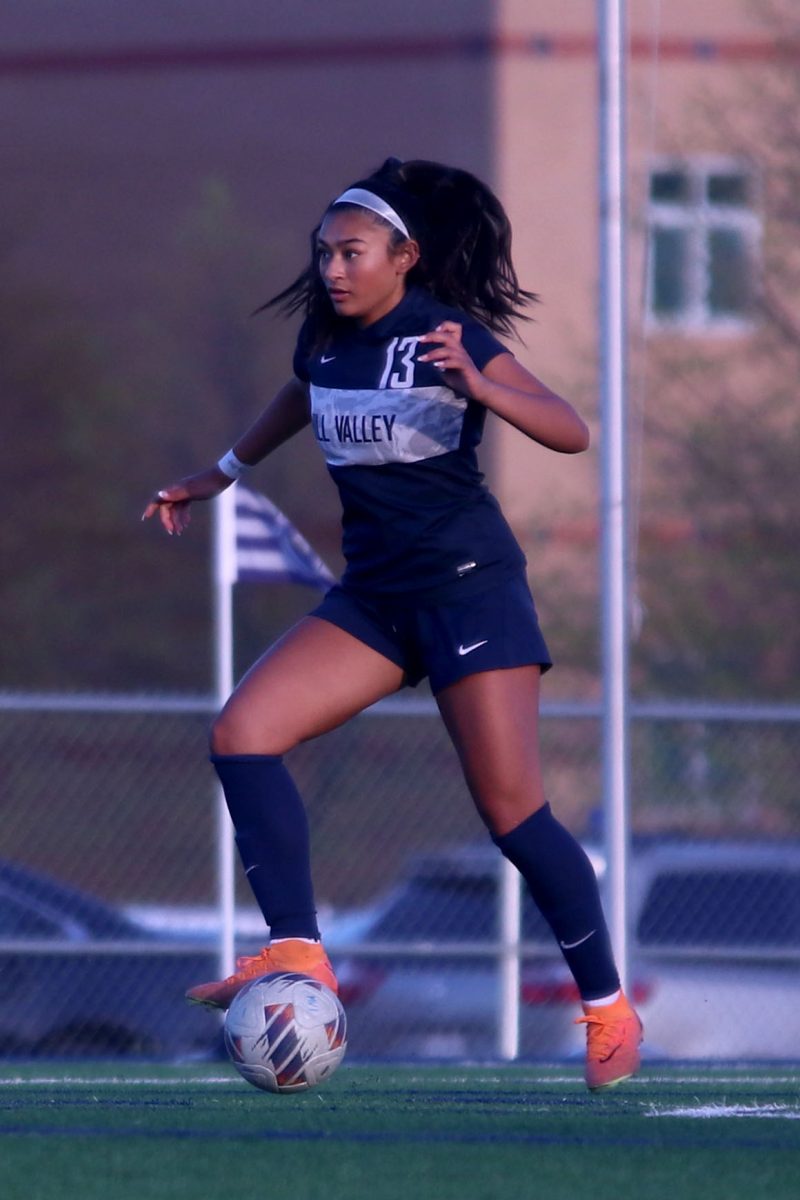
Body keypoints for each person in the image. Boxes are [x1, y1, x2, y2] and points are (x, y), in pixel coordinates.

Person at [143, 157, 642, 1090]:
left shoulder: (444, 333)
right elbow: (304, 394)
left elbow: (570, 428)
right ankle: (300, 951)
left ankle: (609, 1008)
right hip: (373, 599)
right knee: (242, 735)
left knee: (513, 815)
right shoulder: (325, 339)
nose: (333, 268)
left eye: (352, 252)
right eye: (324, 252)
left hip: (468, 592)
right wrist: (222, 471)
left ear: (404, 257)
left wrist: (486, 389)